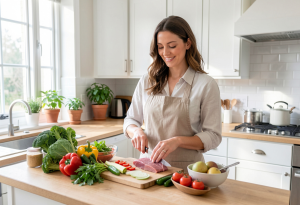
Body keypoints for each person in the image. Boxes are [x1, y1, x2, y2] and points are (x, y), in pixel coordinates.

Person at [123, 16, 221, 172]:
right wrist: (136, 131)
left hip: (187, 172)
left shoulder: (206, 84)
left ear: (188, 43)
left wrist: (178, 141)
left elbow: (214, 136)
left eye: (172, 46)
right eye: (160, 47)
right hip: (148, 169)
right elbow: (131, 120)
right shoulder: (148, 80)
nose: (165, 52)